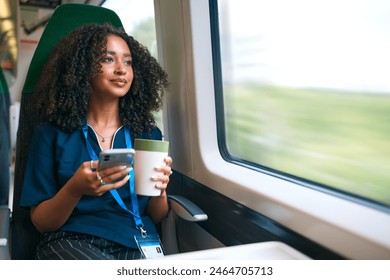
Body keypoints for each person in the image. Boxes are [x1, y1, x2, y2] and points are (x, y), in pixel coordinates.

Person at [19, 23, 171, 260]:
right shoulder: (51, 134)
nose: (122, 69)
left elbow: (157, 214)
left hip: (137, 242)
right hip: (72, 240)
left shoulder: (148, 135)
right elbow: (41, 223)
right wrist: (74, 189)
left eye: (128, 62)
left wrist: (160, 190)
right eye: (109, 59)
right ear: (83, 68)